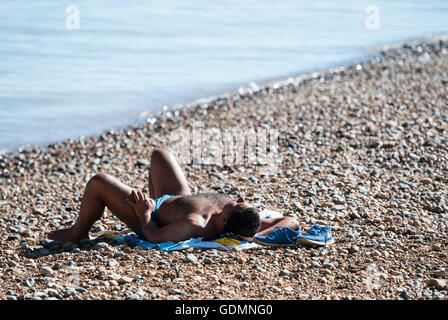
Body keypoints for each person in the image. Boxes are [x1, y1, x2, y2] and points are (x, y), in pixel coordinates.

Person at [48, 148, 299, 244]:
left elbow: (154, 237)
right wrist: (259, 237)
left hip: (154, 214)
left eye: (238, 205)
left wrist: (145, 214)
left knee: (98, 182)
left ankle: (78, 232)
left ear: (224, 222)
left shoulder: (194, 225)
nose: (242, 198)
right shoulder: (246, 219)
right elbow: (291, 220)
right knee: (160, 155)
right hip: (178, 198)